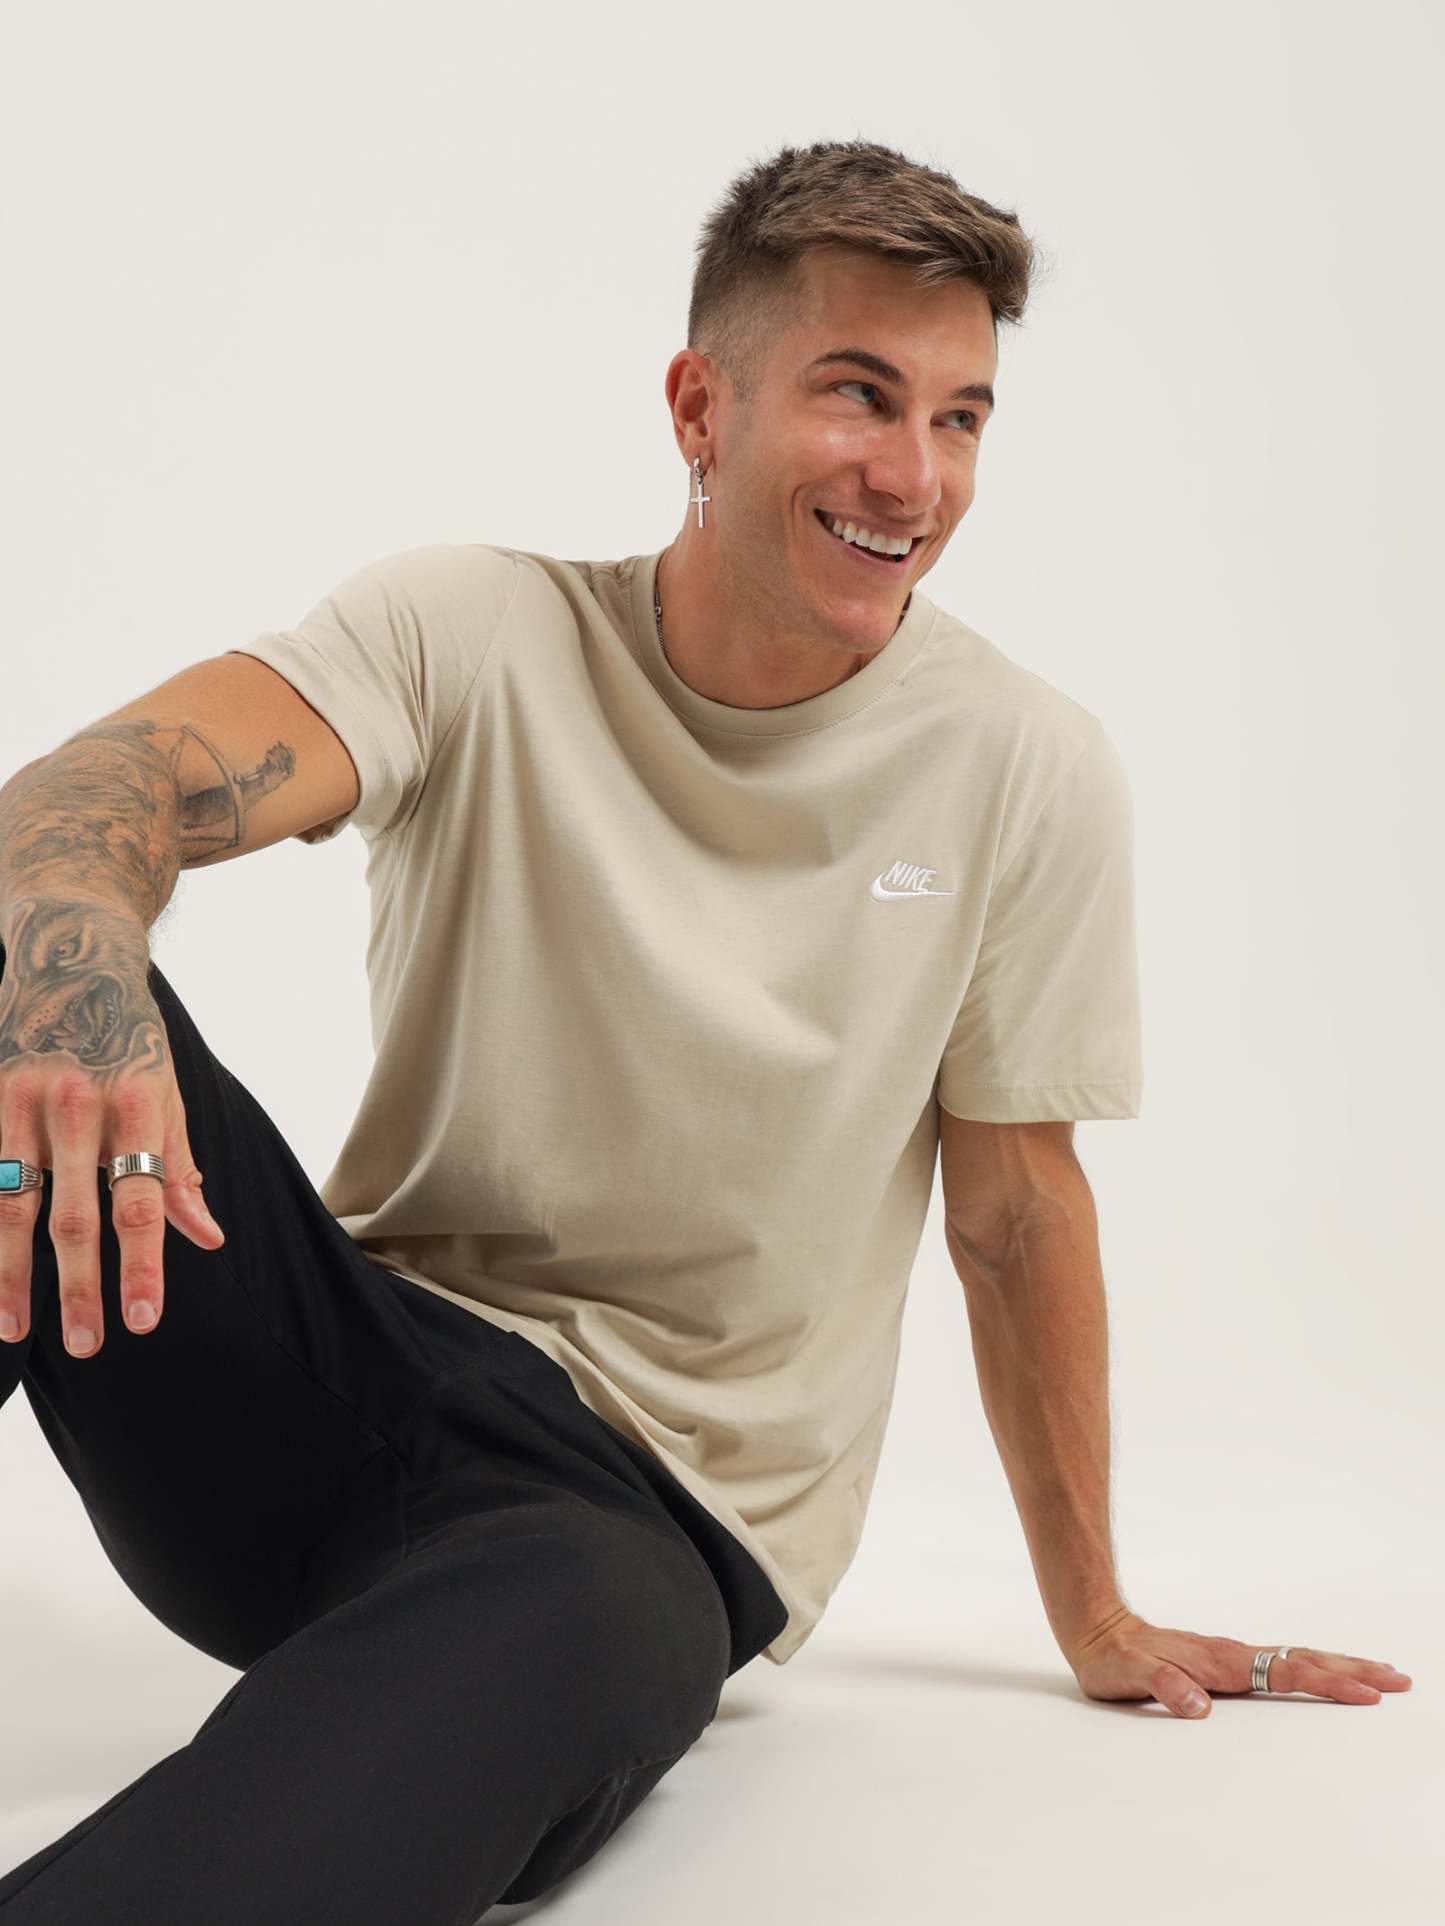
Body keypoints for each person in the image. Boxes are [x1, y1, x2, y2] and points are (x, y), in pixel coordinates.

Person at [0, 137, 1410, 1924]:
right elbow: (101, 784)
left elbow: (1011, 1210)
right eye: (858, 394)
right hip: (327, 1381)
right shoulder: (472, 629)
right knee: (24, 940)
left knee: (518, 1666)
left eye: (961, 417)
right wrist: (72, 984)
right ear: (699, 406)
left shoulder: (1021, 765)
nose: (913, 476)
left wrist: (1095, 1609)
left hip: (637, 1520)